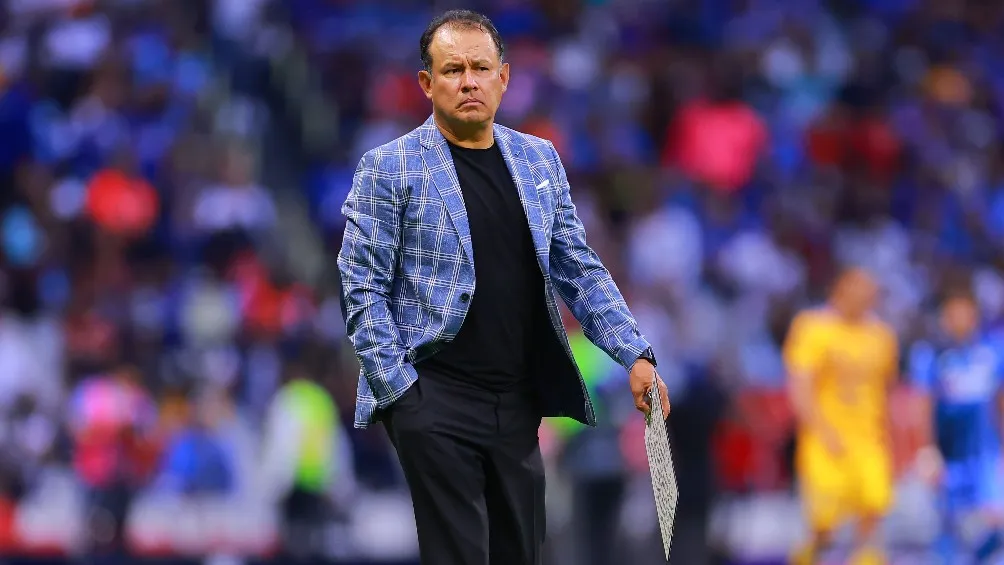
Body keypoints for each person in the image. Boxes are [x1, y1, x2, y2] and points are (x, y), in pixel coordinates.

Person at [337, 9, 669, 565]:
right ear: (426, 83)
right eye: (452, 70)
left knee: (519, 552)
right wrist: (402, 392)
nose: (468, 81)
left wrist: (634, 353)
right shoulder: (387, 167)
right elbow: (361, 286)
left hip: (515, 403)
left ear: (504, 78)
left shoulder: (539, 161)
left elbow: (579, 268)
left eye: (480, 68)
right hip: (432, 396)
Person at [783, 268, 899, 565]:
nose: (867, 297)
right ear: (840, 289)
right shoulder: (812, 327)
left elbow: (888, 391)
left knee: (872, 514)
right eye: (860, 288)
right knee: (824, 527)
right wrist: (822, 431)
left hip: (869, 442)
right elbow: (801, 386)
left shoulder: (882, 336)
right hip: (826, 440)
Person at [908, 290, 1004, 563]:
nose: (960, 320)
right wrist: (928, 448)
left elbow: (1000, 400)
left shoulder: (992, 351)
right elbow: (924, 404)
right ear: (944, 319)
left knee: (993, 518)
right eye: (954, 314)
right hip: (949, 449)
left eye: (966, 313)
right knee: (949, 520)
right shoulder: (931, 354)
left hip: (985, 449)